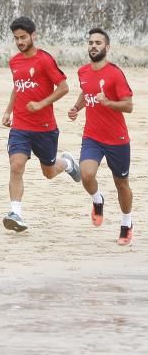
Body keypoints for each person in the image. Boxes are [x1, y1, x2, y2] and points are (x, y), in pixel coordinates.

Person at [2, 16, 81, 232]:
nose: (20, 42)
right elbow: (18, 87)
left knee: (49, 172)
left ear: (33, 35)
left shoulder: (45, 60)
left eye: (23, 37)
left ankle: (67, 163)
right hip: (20, 127)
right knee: (16, 165)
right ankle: (16, 213)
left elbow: (64, 87)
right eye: (16, 38)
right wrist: (8, 110)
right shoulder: (14, 61)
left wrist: (41, 103)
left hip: (45, 128)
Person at [68, 28, 134, 245]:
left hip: (117, 140)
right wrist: (77, 107)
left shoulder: (115, 73)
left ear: (107, 47)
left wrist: (109, 103)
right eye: (90, 42)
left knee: (121, 183)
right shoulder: (83, 72)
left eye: (98, 42)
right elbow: (86, 92)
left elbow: (128, 106)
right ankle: (98, 200)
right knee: (86, 175)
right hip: (92, 137)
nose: (93, 46)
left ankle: (126, 223)